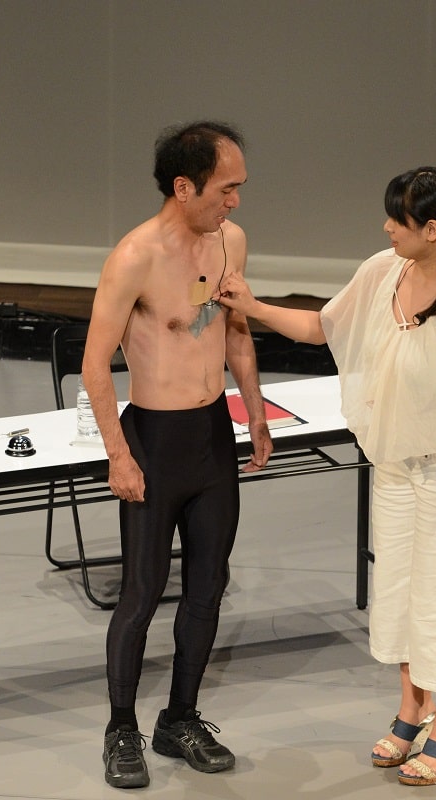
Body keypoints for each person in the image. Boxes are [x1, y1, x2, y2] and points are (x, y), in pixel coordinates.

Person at [217, 167, 436, 786]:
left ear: (432, 230)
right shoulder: (383, 271)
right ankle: (412, 708)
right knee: (399, 591)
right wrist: (252, 306)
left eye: (398, 220)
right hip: (395, 466)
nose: (386, 228)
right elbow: (322, 327)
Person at [82, 120, 273, 790]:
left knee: (208, 585)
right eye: (226, 189)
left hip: (211, 436)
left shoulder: (230, 242)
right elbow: (95, 366)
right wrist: (118, 455)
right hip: (154, 443)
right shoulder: (134, 256)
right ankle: (121, 729)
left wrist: (254, 415)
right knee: (140, 593)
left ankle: (180, 718)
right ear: (184, 186)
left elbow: (236, 330)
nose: (235, 202)